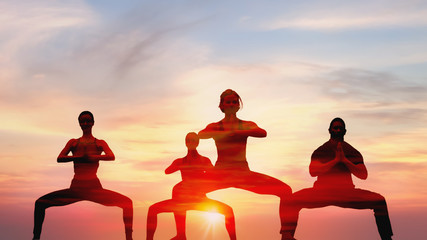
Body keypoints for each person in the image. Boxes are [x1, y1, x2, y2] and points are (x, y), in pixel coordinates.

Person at [174, 89, 292, 238]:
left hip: (243, 173)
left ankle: (286, 234)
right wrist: (224, 133)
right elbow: (202, 135)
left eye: (234, 102)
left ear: (238, 105)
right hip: (220, 173)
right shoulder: (216, 126)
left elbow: (262, 132)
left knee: (286, 191)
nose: (231, 104)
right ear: (221, 106)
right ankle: (180, 235)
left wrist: (238, 132)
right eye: (227, 102)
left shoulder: (245, 125)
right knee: (179, 189)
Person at [281, 117, 393, 240]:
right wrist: (335, 161)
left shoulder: (351, 151)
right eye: (336, 128)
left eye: (341, 128)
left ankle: (386, 238)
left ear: (345, 131)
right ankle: (287, 236)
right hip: (322, 192)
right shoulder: (321, 151)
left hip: (346, 193)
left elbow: (363, 175)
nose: (338, 130)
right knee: (289, 200)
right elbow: (313, 172)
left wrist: (345, 160)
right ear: (330, 130)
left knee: (379, 201)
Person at [33, 111, 133, 240]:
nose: (85, 123)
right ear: (79, 124)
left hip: (94, 189)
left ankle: (129, 238)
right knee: (40, 203)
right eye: (82, 121)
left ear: (93, 123)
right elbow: (60, 158)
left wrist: (93, 157)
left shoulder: (99, 143)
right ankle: (35, 238)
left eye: (88, 120)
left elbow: (111, 156)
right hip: (76, 188)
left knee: (127, 203)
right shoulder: (74, 143)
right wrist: (79, 157)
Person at [146, 132, 236, 240]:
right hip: (181, 200)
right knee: (153, 209)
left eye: (193, 140)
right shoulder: (180, 161)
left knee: (228, 211)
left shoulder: (204, 160)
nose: (191, 143)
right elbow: (167, 171)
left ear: (197, 143)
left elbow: (215, 176)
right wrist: (178, 165)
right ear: (185, 143)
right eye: (189, 140)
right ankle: (180, 234)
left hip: (200, 200)